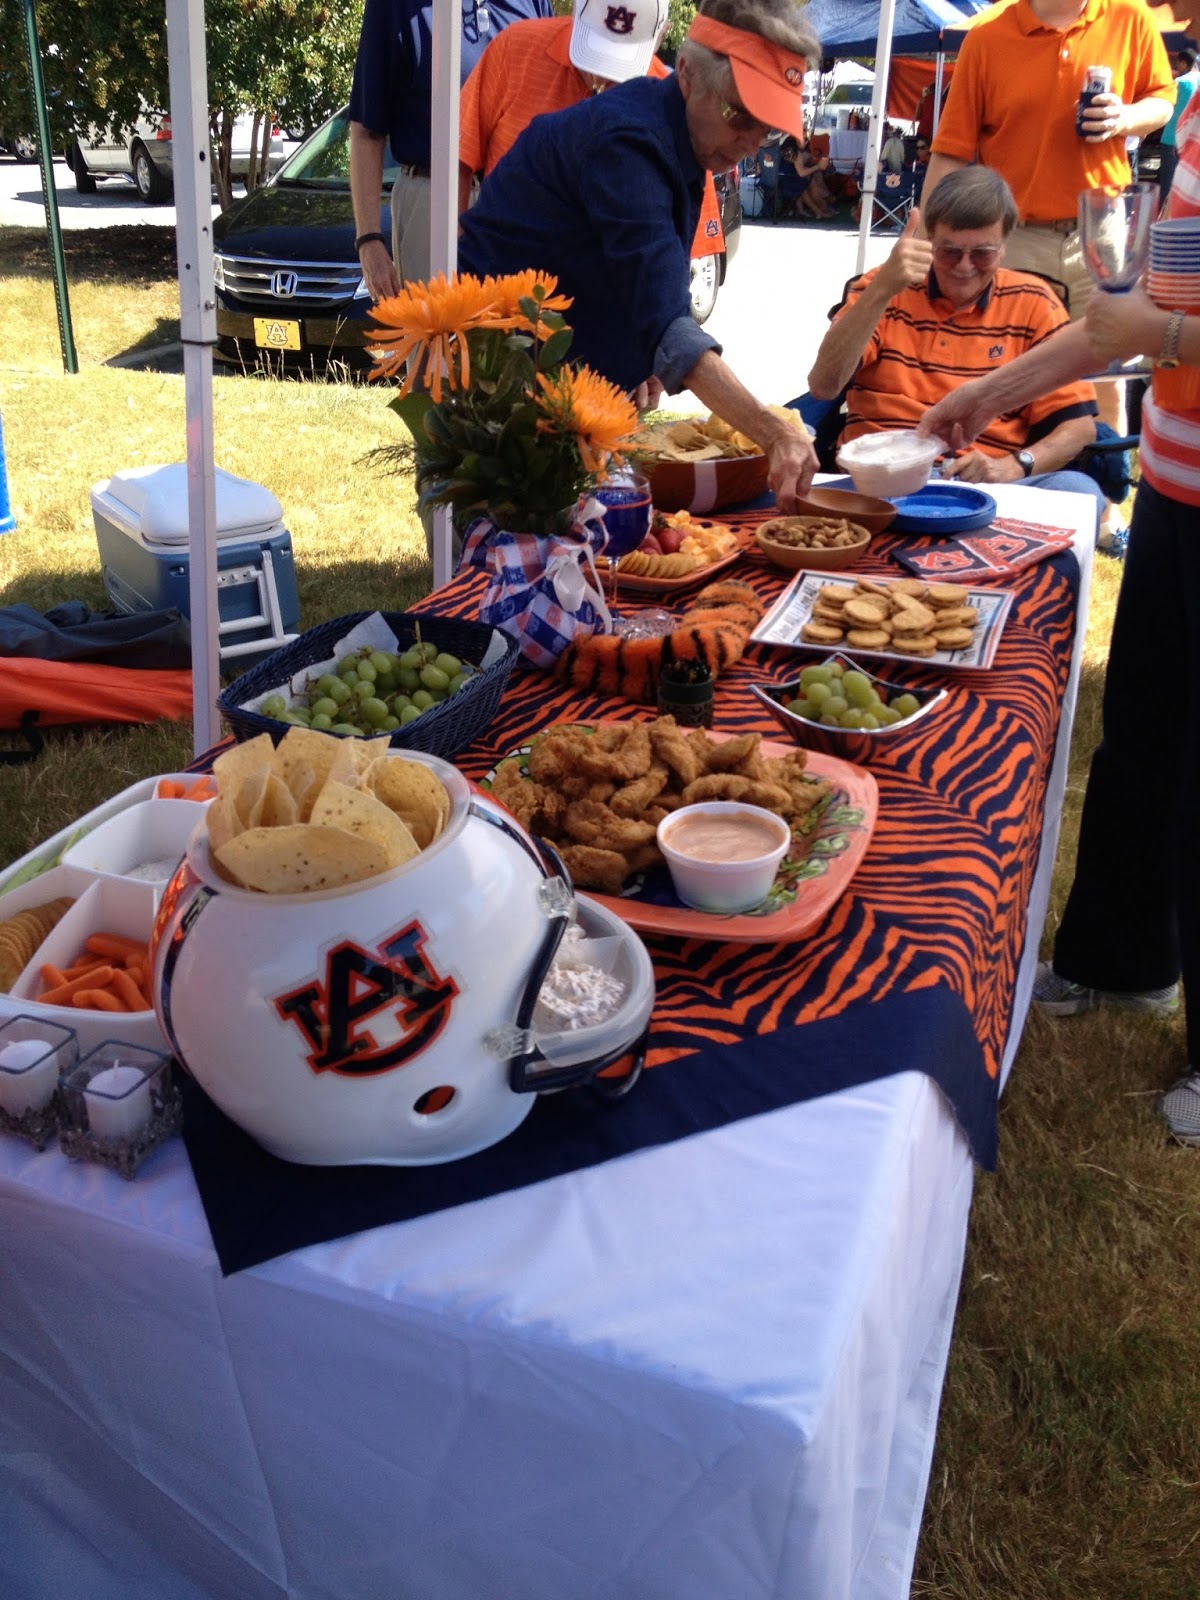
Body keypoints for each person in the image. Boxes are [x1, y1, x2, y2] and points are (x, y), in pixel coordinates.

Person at [918, 97, 1200, 1146]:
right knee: (1145, 739)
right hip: (1178, 480)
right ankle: (1120, 965)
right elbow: (1115, 325)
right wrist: (989, 392)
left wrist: (1165, 334)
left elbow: (1145, 327)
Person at [457, 0, 822, 510]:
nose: (750, 143)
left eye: (769, 128)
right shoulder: (628, 142)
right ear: (690, 75)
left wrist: (642, 357)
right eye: (738, 114)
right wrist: (773, 432)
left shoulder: (685, 139)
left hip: (564, 385)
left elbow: (646, 287)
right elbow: (668, 324)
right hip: (505, 384)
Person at [808, 166, 1104, 521]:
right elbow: (824, 385)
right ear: (929, 240)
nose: (964, 267)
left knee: (1079, 491)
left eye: (982, 253)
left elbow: (1079, 427)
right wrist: (882, 290)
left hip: (988, 486)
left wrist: (1013, 466)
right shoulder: (882, 286)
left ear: (1005, 246)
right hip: (880, 481)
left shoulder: (1035, 302)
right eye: (949, 252)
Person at [456, 0, 725, 266]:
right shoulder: (515, 49)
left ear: (662, 35)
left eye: (618, 69)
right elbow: (458, 156)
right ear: (575, 10)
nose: (599, 81)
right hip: (502, 285)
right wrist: (459, 251)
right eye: (593, 54)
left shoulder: (677, 108)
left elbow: (687, 249)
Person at [348, 0, 552, 303]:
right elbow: (367, 130)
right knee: (437, 344)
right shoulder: (394, 6)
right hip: (429, 197)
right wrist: (369, 240)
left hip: (518, 201)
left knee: (520, 342)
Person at [1158, 48, 1197, 203]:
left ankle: (1162, 220)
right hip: (1192, 139)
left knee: (1167, 183)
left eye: (1177, 63)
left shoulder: (1179, 82)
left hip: (1171, 138)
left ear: (1183, 62)